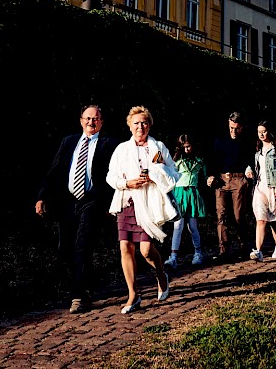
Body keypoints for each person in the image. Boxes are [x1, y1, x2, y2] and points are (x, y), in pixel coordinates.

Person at [35, 104, 118, 314]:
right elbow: (54, 170)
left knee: (83, 246)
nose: (92, 122)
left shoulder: (109, 144)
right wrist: (42, 197)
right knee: (66, 250)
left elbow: (116, 175)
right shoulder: (69, 141)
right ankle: (85, 288)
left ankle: (78, 296)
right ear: (81, 120)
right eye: (88, 118)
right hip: (67, 201)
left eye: (96, 119)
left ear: (102, 122)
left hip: (92, 201)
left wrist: (112, 203)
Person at [105, 106, 179, 314]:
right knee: (125, 247)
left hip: (148, 204)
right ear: (129, 126)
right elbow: (111, 177)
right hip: (127, 201)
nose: (140, 127)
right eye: (136, 123)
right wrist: (127, 183)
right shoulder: (121, 149)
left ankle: (161, 274)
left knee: (146, 250)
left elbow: (173, 173)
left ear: (150, 125)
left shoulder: (159, 147)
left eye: (144, 123)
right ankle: (133, 294)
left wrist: (155, 175)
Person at [206, 111, 252, 260]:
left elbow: (251, 160)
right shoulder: (220, 140)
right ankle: (223, 250)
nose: (233, 131)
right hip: (221, 180)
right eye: (231, 128)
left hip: (238, 179)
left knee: (239, 216)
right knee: (221, 215)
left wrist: (249, 171)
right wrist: (211, 176)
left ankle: (243, 247)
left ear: (242, 127)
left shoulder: (246, 142)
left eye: (237, 128)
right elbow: (213, 160)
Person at [246, 120, 276, 260]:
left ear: (270, 131)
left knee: (275, 221)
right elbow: (255, 167)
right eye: (259, 132)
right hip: (260, 188)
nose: (261, 134)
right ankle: (258, 251)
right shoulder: (257, 149)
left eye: (264, 131)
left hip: (273, 187)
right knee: (260, 219)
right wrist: (249, 171)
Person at [164, 134, 208, 269]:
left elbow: (205, 176)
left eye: (189, 146)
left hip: (192, 194)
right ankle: (173, 257)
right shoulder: (175, 161)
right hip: (179, 194)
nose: (187, 149)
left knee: (193, 226)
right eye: (184, 147)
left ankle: (198, 253)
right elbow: (168, 175)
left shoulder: (199, 161)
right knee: (178, 226)